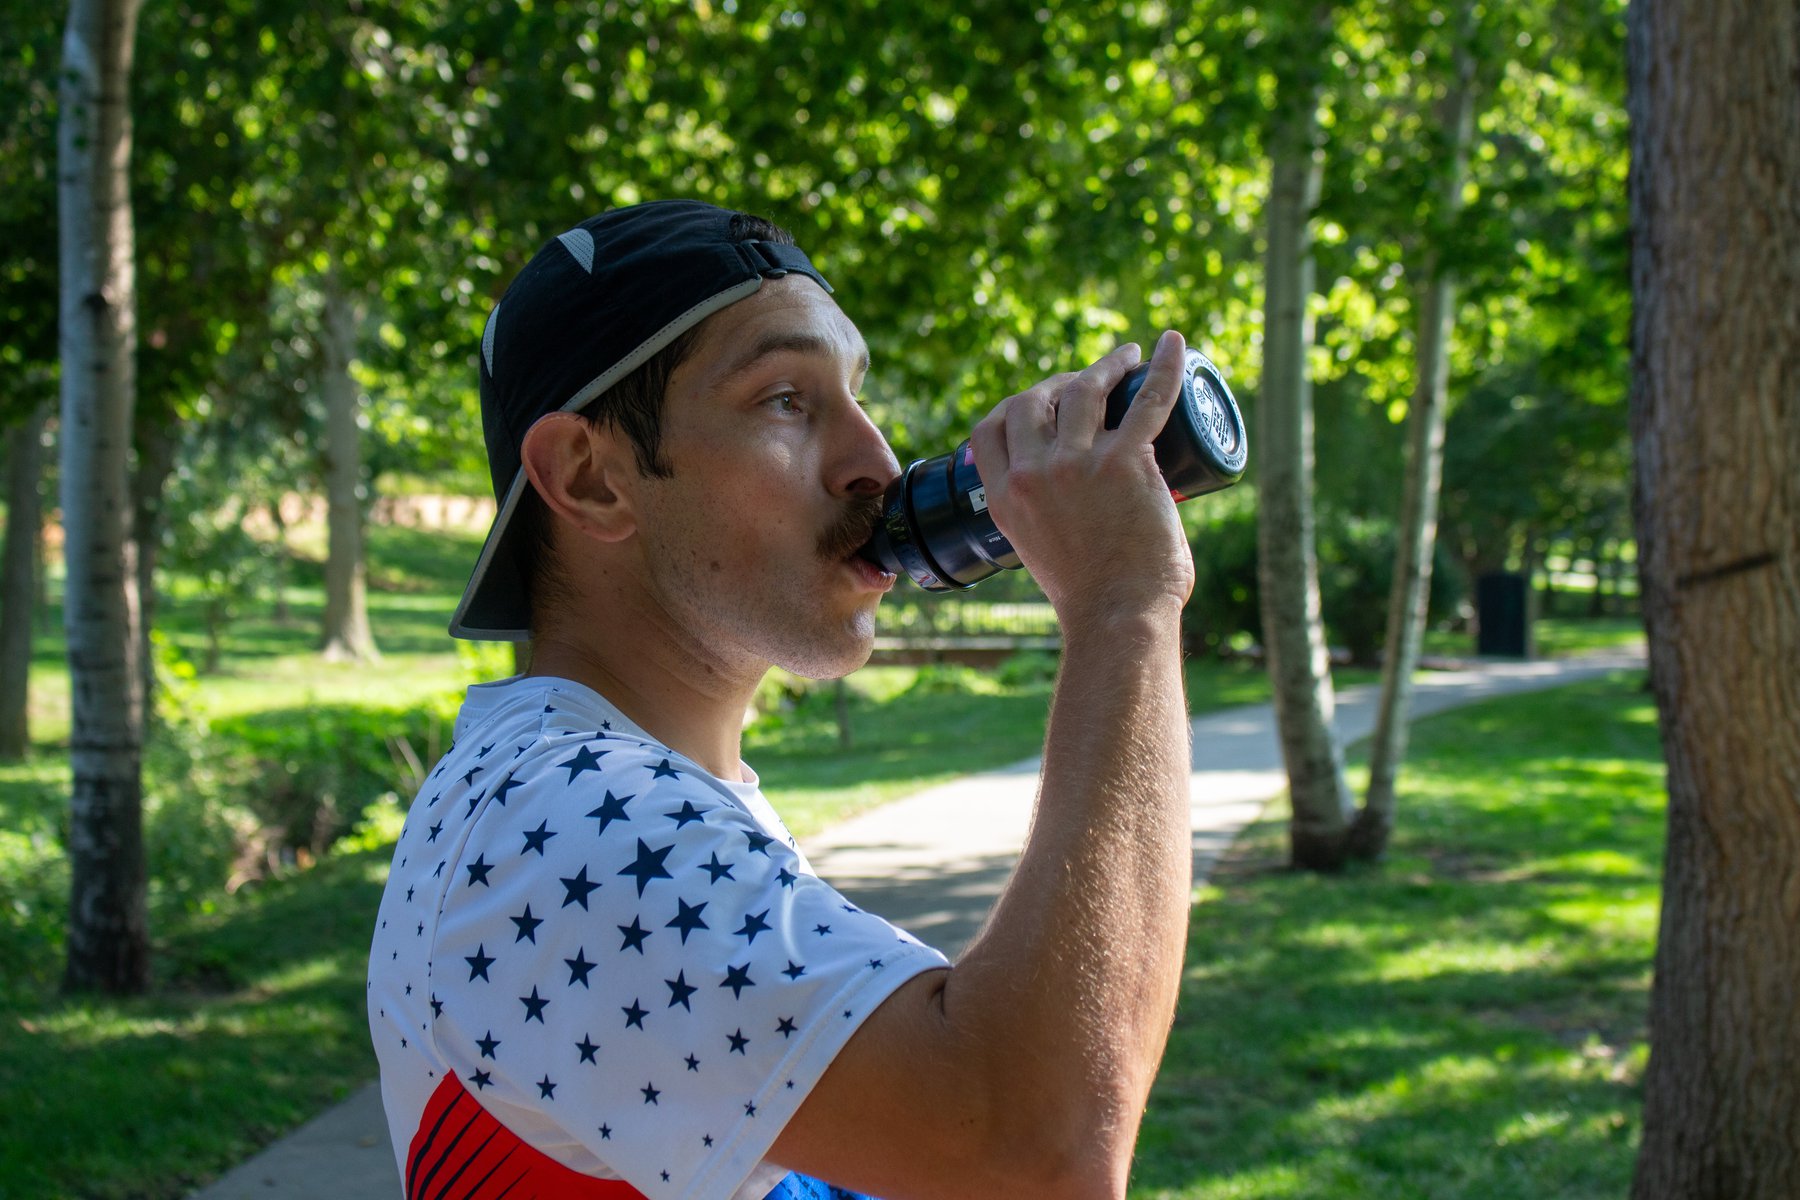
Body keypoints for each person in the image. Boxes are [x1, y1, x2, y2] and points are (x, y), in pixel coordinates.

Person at [367, 199, 1196, 1200]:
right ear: (589, 479)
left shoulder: (603, 797)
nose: (876, 463)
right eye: (785, 402)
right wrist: (1123, 608)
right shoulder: (558, 821)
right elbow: (1039, 1154)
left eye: (853, 394)